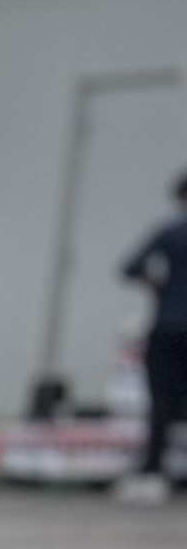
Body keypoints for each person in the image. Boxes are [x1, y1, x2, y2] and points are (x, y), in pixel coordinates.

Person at [119, 173, 187, 501]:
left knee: (161, 398)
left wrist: (159, 285)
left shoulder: (169, 233)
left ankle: (153, 468)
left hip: (169, 324)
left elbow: (129, 267)